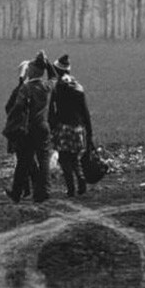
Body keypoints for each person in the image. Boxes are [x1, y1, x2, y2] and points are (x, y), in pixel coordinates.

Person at [3, 50, 57, 203]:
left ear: (32, 72)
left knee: (23, 162)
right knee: (44, 159)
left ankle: (16, 192)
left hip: (28, 129)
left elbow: (17, 107)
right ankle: (43, 191)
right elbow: (54, 77)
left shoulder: (26, 89)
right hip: (43, 127)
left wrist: (12, 123)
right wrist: (48, 63)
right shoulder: (47, 87)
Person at [49, 54, 93, 198]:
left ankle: (71, 188)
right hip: (78, 128)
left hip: (63, 127)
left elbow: (52, 110)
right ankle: (81, 180)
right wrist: (89, 132)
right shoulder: (79, 88)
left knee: (63, 159)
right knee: (74, 158)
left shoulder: (58, 88)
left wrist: (52, 126)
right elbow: (85, 112)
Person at [5, 59, 32, 199]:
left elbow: (8, 107)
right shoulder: (34, 87)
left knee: (22, 161)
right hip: (30, 129)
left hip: (19, 129)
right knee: (28, 161)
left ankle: (20, 190)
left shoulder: (20, 89)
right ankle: (27, 189)